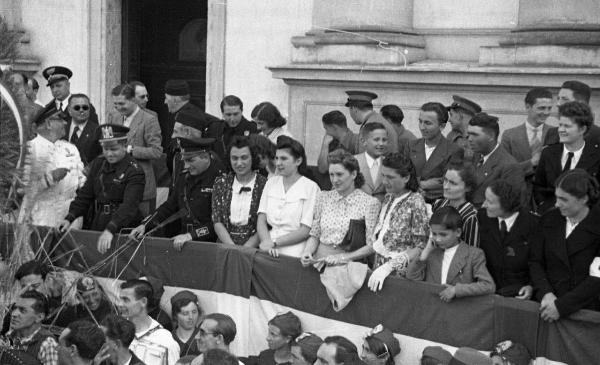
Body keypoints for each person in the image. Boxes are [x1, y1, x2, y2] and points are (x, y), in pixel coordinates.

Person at [58, 124, 145, 254]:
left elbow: (130, 205)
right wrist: (70, 217)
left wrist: (111, 228)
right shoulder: (99, 164)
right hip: (99, 221)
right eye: (105, 149)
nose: (109, 153)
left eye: (114, 149)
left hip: (123, 225)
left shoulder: (134, 170)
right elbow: (85, 195)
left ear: (124, 145)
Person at [530, 169, 600, 321]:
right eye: (556, 197)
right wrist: (546, 293)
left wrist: (561, 307)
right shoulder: (549, 219)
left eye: (564, 199)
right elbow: (535, 261)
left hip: (585, 312)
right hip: (547, 307)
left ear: (583, 199)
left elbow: (596, 279)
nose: (557, 203)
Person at [130, 138, 223, 248]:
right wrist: (145, 224)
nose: (186, 166)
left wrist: (191, 235)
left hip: (210, 244)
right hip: (183, 240)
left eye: (190, 160)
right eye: (184, 161)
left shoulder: (221, 180)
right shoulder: (185, 177)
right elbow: (169, 206)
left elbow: (220, 221)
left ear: (205, 157)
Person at [301, 150, 381, 266]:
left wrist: (344, 257)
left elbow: (372, 245)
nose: (334, 180)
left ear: (353, 174)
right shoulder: (323, 197)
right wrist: (307, 251)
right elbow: (315, 234)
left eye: (339, 174)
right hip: (319, 263)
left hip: (349, 266)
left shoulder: (370, 203)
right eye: (331, 175)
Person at [367, 153, 429, 292]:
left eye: (390, 177)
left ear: (406, 178)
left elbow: (421, 246)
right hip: (378, 267)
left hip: (399, 275)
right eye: (383, 175)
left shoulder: (416, 201)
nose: (384, 181)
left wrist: (390, 266)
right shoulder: (388, 197)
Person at [406, 206, 496, 302]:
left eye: (443, 234)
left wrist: (456, 290)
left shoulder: (474, 254)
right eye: (434, 234)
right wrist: (424, 255)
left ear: (458, 232)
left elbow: (488, 285)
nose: (438, 239)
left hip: (458, 310)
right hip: (432, 309)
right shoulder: (431, 252)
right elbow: (412, 277)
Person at [18, 107, 85, 228]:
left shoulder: (70, 148)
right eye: (60, 119)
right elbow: (21, 189)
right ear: (48, 124)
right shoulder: (30, 149)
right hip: (41, 217)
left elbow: (81, 181)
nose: (65, 122)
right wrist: (50, 178)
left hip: (69, 218)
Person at [255, 136, 320, 258]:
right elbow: (261, 220)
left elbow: (306, 230)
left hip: (296, 251)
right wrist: (266, 243)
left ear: (298, 161)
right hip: (267, 248)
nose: (278, 163)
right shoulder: (271, 183)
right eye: (277, 158)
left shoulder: (311, 188)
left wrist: (275, 243)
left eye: (284, 159)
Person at [534, 101, 600, 213]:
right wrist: (544, 205)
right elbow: (539, 186)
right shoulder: (548, 153)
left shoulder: (597, 156)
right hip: (549, 217)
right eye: (560, 125)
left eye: (567, 126)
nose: (561, 130)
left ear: (582, 129)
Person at [107, 83, 162, 216]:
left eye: (122, 104)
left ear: (133, 100)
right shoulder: (114, 116)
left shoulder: (149, 119)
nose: (118, 108)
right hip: (118, 186)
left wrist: (130, 149)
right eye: (115, 104)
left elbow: (156, 151)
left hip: (141, 186)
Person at [478, 180, 537, 299]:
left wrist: (531, 286)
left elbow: (539, 262)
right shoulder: (481, 218)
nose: (484, 205)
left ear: (506, 205)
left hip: (517, 296)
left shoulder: (534, 225)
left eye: (489, 202)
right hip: (486, 293)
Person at [212, 136, 268, 246]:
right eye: (234, 158)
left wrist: (245, 249)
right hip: (226, 247)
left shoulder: (265, 185)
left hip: (254, 249)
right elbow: (217, 221)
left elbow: (266, 223)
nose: (239, 163)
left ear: (253, 158)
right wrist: (232, 248)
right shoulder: (221, 183)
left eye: (244, 157)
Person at [406, 102, 463, 203]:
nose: (422, 127)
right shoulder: (411, 146)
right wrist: (423, 184)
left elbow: (448, 182)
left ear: (442, 126)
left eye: (428, 123)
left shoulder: (453, 150)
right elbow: (402, 175)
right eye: (420, 121)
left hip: (438, 205)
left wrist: (417, 183)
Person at [467, 112, 524, 208]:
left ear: (491, 136)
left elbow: (511, 204)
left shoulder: (509, 166)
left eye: (475, 135)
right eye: (469, 134)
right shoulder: (477, 155)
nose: (469, 139)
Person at [119, 279, 180, 365]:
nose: (119, 304)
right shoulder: (116, 332)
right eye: (120, 299)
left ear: (143, 302)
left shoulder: (165, 341)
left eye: (125, 300)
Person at [163, 79, 221, 171]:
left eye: (166, 98)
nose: (165, 102)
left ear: (174, 99)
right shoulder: (193, 112)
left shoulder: (186, 118)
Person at [501, 88, 553, 176]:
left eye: (549, 108)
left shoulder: (556, 133)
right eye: (542, 108)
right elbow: (504, 170)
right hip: (519, 188)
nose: (546, 112)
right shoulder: (510, 135)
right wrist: (532, 163)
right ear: (528, 107)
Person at [432, 163, 479, 247]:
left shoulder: (470, 216)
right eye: (445, 180)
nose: (446, 187)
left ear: (468, 188)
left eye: (453, 183)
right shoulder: (438, 204)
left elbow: (470, 253)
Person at [7, 291, 58, 365]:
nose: (14, 314)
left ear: (39, 317)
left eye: (23, 310)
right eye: (14, 308)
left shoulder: (47, 344)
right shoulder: (9, 336)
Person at [545, 80, 600, 145]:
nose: (558, 104)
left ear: (581, 103)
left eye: (564, 99)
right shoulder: (552, 133)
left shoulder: (597, 135)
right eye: (558, 98)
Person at [212, 95, 258, 162]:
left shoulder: (253, 129)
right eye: (228, 115)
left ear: (242, 111)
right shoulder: (215, 128)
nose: (232, 119)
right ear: (222, 113)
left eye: (236, 114)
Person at [354, 122, 388, 202]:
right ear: (363, 141)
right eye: (376, 140)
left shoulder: (389, 163)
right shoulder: (353, 162)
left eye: (384, 140)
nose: (381, 143)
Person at [65, 94, 102, 166]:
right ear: (69, 110)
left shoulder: (98, 131)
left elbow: (102, 156)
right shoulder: (62, 128)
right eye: (77, 107)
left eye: (85, 107)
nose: (81, 110)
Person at [446, 95, 481, 159]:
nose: (449, 120)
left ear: (460, 116)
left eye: (451, 115)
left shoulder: (481, 137)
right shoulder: (451, 137)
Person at [170, 290, 202, 357]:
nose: (191, 317)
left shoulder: (203, 340)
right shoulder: (168, 338)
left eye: (194, 312)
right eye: (185, 313)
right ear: (175, 315)